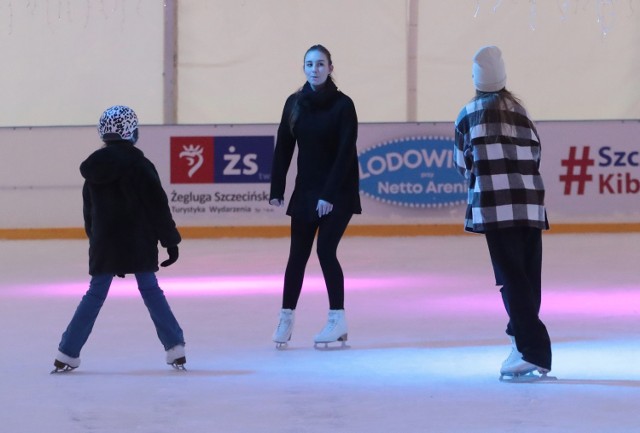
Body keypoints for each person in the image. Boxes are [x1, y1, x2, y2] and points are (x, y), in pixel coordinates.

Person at [52, 105, 186, 372]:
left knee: (95, 293)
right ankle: (175, 348)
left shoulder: (93, 170)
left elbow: (89, 211)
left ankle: (67, 353)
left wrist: (96, 239)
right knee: (150, 289)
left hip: (106, 242)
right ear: (132, 131)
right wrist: (170, 240)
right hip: (138, 241)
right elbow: (157, 205)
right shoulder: (141, 164)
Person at [453, 46, 552, 378]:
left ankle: (532, 350)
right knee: (527, 276)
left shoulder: (468, 114)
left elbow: (461, 165)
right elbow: (536, 154)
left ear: (475, 81)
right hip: (530, 204)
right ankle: (519, 340)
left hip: (496, 208)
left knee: (511, 279)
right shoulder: (521, 112)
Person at [269, 44, 361, 349]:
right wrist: (277, 189)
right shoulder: (294, 103)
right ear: (303, 68)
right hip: (307, 190)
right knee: (297, 256)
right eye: (309, 64)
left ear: (331, 68)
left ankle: (338, 319)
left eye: (321, 64)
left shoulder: (343, 105)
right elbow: (284, 146)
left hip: (339, 190)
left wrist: (329, 195)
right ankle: (286, 317)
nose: (315, 69)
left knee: (324, 250)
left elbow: (346, 153)